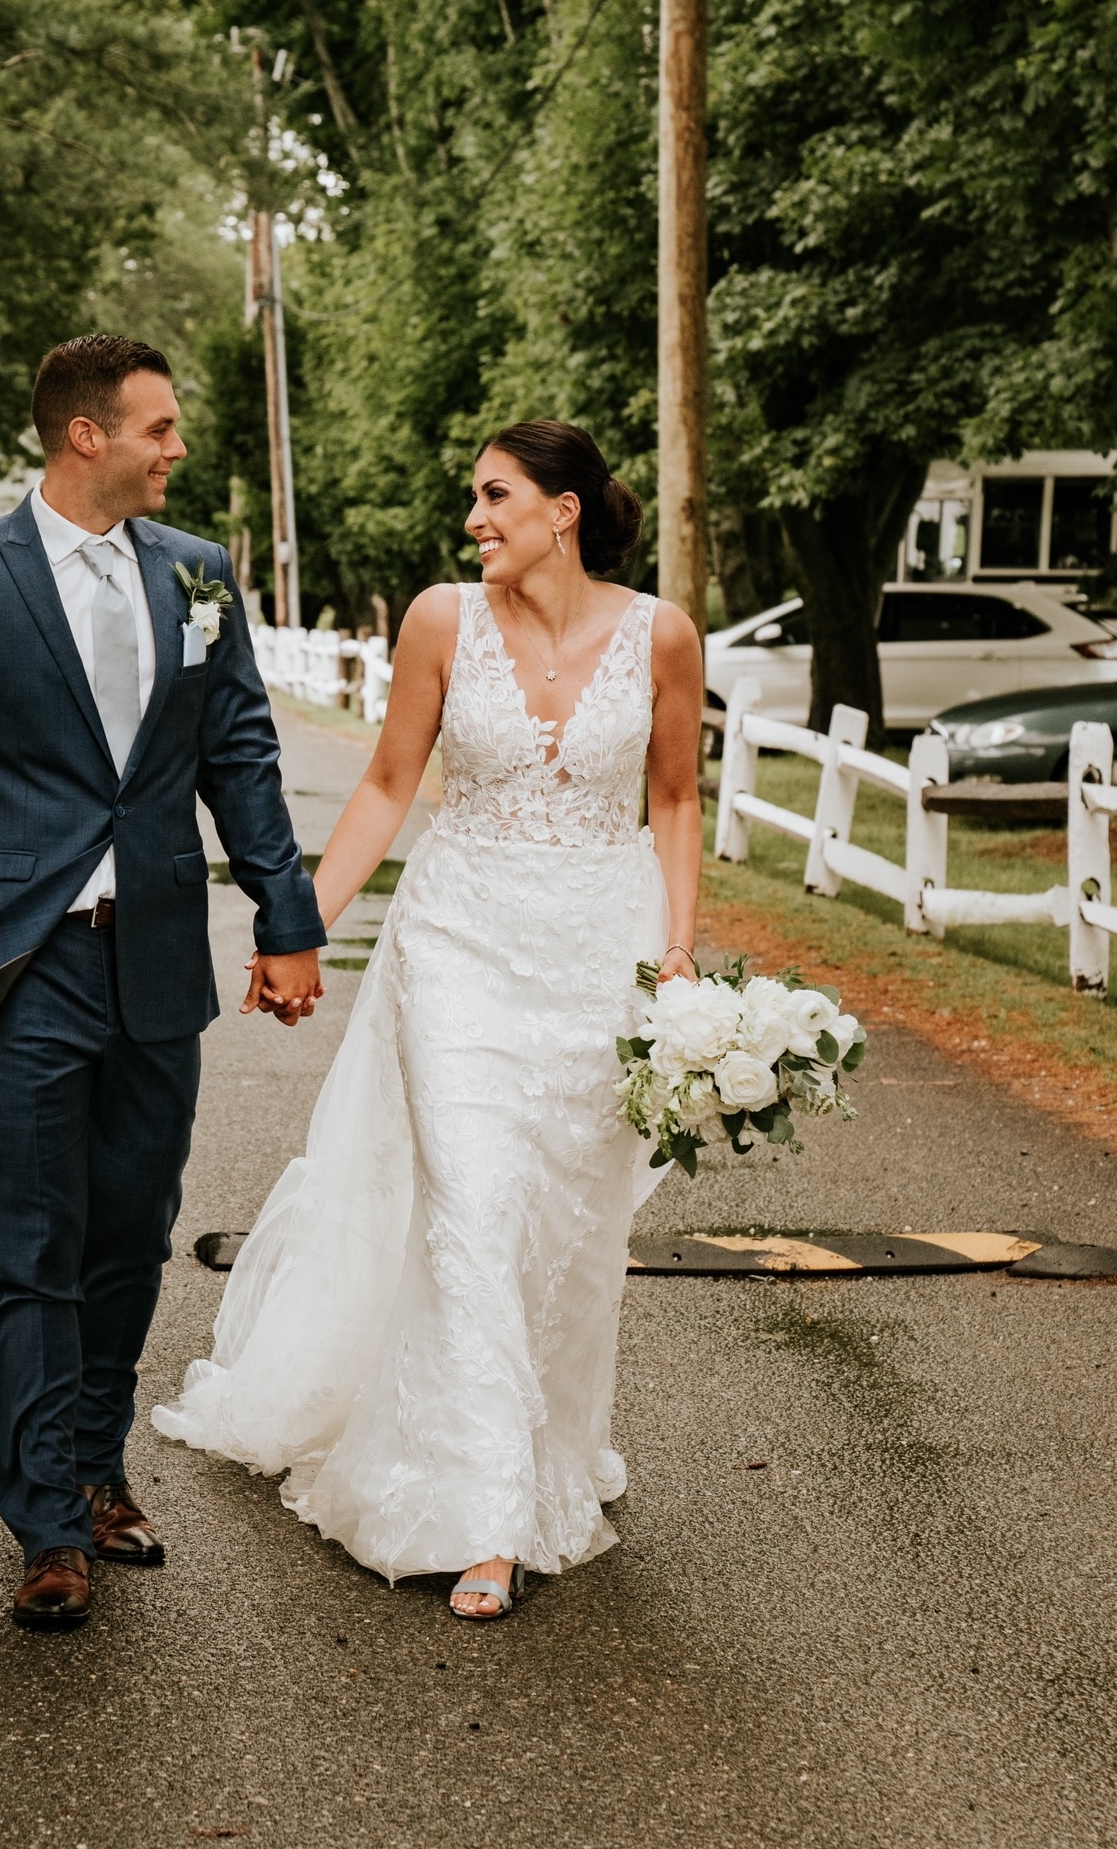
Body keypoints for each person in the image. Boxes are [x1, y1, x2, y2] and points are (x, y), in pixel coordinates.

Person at [154, 419, 704, 1620]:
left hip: (594, 961)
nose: (474, 519)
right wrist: (294, 922)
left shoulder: (661, 634)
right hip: (455, 946)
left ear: (562, 509)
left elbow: (671, 797)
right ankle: (485, 1515)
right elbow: (389, 784)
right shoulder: (438, 619)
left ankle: (538, 1441)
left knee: (557, 1222)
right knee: (469, 1197)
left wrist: (672, 952)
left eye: (495, 496)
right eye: (474, 499)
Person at [0, 334, 325, 1633]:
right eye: (159, 428)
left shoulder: (201, 577)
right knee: (31, 1250)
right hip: (21, 961)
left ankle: (97, 1463)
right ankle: (47, 1526)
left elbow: (240, 754)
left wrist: (286, 920)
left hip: (156, 958)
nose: (177, 449)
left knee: (126, 1232)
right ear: (84, 435)